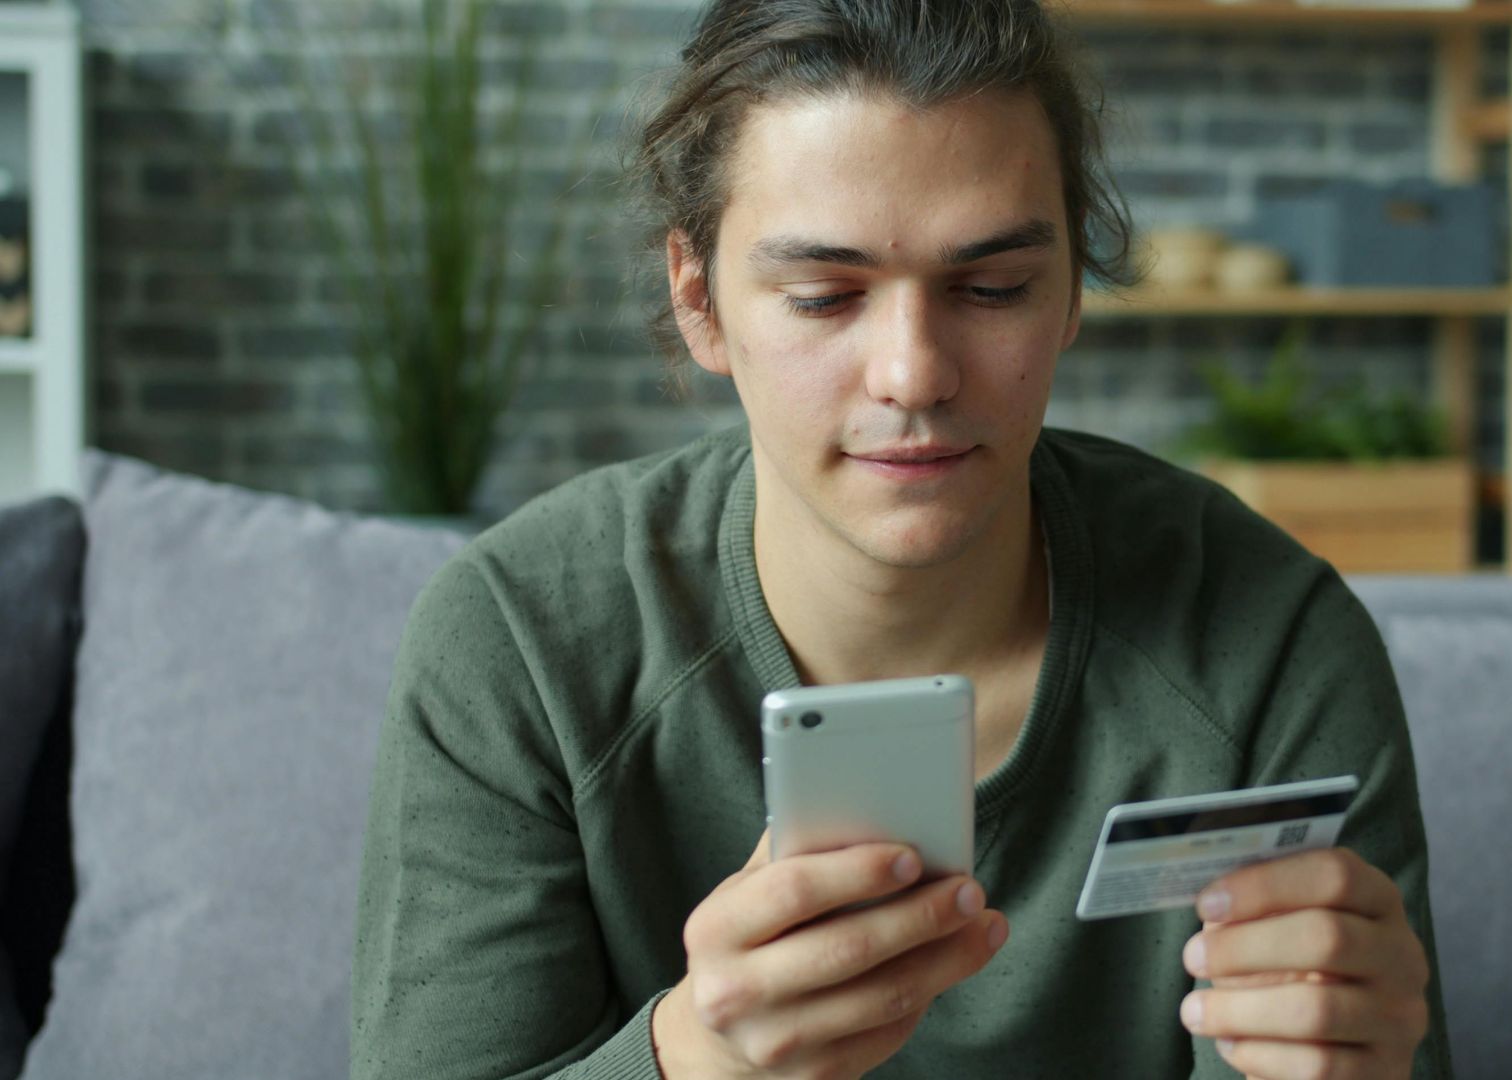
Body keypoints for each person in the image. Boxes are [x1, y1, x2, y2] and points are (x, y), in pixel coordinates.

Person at [349, 1, 1453, 1077]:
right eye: (826, 297)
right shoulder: (522, 642)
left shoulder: (1266, 641)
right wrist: (695, 1060)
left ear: (1073, 287)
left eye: (993, 287)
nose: (914, 374)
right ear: (700, 302)